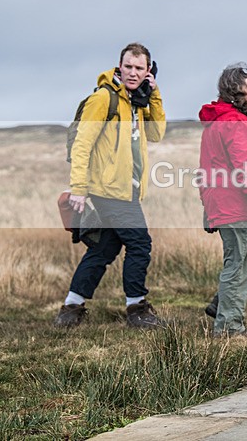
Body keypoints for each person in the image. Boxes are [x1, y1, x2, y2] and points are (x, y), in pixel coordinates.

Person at [54, 43, 166, 328]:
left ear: (148, 71)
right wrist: (78, 187)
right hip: (109, 190)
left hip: (125, 189)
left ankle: (71, 307)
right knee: (140, 243)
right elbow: (82, 143)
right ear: (119, 66)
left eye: (139, 68)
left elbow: (156, 134)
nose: (132, 72)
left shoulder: (136, 101)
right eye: (128, 66)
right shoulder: (104, 99)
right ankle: (136, 309)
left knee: (104, 249)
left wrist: (154, 96)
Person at [199, 64, 247, 339]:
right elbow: (246, 164)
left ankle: (222, 304)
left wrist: (208, 208)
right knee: (239, 265)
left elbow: (207, 167)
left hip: (225, 203)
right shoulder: (233, 122)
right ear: (234, 91)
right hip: (236, 204)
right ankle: (229, 328)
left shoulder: (218, 121)